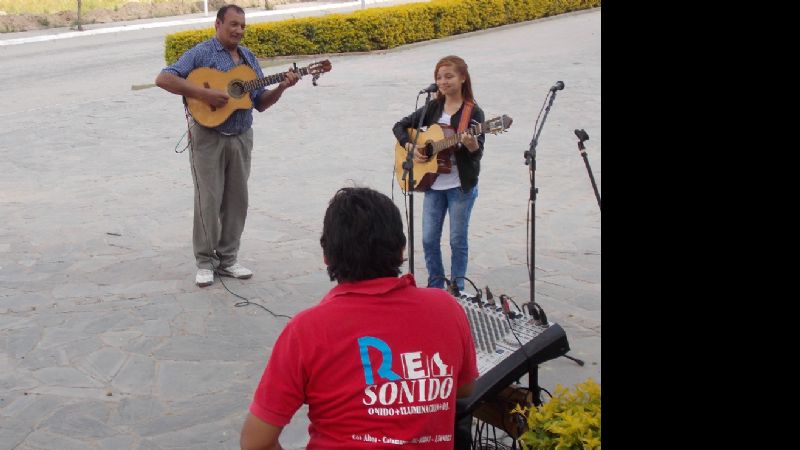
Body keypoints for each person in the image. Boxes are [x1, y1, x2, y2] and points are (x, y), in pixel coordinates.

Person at [240, 187, 479, 450]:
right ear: (401, 250)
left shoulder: (306, 331)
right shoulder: (447, 308)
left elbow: (255, 443)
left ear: (327, 257)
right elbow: (465, 387)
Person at [154, 4, 298, 287]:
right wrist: (203, 92)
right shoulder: (202, 53)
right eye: (233, 24)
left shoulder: (247, 58)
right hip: (208, 136)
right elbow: (164, 78)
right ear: (218, 24)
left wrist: (282, 86)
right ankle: (205, 261)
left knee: (237, 200)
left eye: (243, 26)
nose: (238, 31)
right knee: (208, 199)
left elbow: (260, 103)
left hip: (241, 136)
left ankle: (228, 259)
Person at [392, 55, 485, 292]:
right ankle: (435, 287)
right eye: (439, 77)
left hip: (460, 185)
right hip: (432, 183)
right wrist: (411, 147)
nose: (443, 82)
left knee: (457, 240)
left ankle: (457, 288)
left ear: (463, 78)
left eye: (449, 76)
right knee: (428, 240)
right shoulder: (433, 106)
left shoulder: (473, 113)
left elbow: (476, 154)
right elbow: (399, 126)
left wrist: (472, 145)